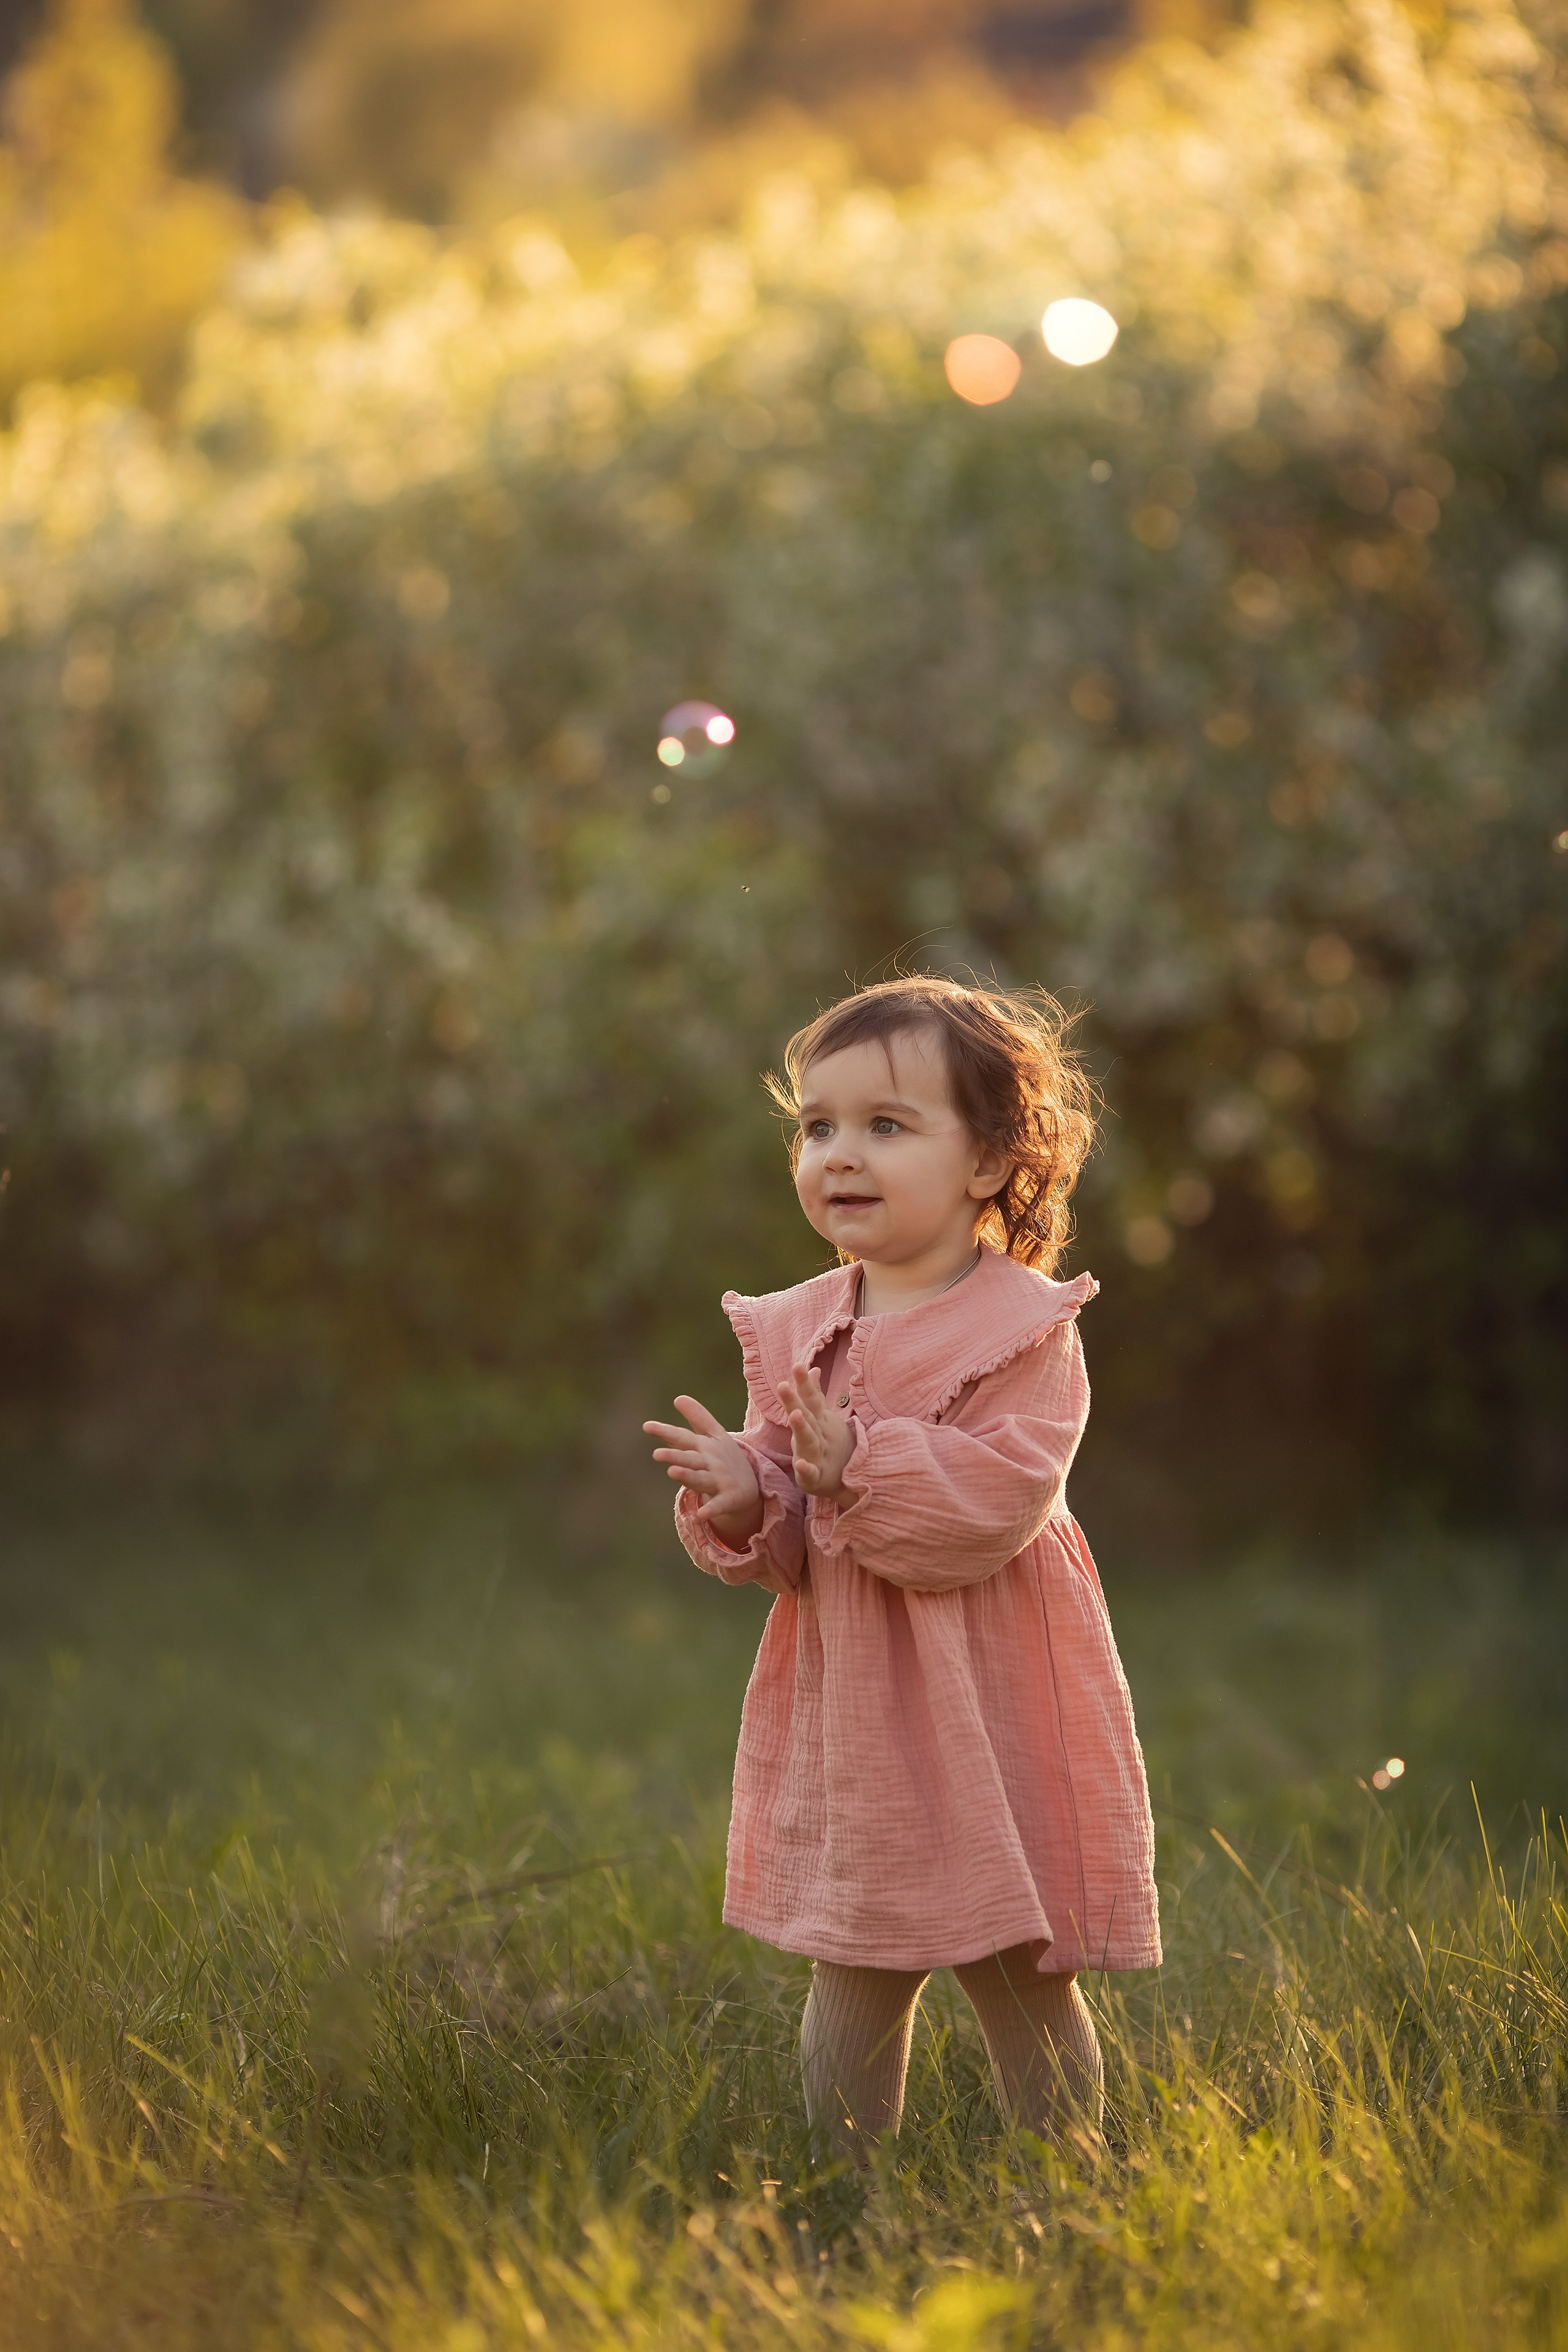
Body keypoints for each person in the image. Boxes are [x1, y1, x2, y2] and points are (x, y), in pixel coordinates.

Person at [644, 976, 1159, 2157]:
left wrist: (854, 1469)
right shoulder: (802, 1326)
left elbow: (998, 1503)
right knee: (858, 1958)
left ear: (988, 1163)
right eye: (818, 1127)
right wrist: (748, 1497)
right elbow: (791, 1534)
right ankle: (844, 2188)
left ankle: (1062, 2180)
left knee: (1018, 1965)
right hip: (866, 1703)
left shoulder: (1027, 1328)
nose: (841, 1154)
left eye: (887, 1125)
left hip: (992, 1695)